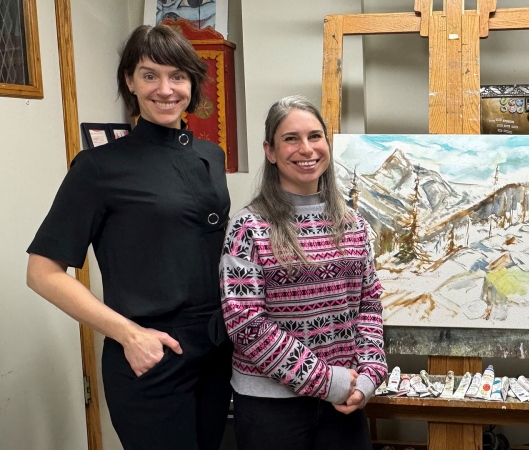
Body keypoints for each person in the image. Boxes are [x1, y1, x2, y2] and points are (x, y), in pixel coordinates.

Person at [26, 25, 232, 450]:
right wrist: (128, 335)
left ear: (192, 83)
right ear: (129, 81)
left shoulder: (210, 155)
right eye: (149, 74)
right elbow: (42, 273)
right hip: (150, 354)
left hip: (215, 352)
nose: (165, 89)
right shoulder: (98, 167)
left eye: (177, 76)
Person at [220, 95, 387, 450]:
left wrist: (371, 372)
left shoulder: (353, 224)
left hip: (344, 402)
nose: (306, 149)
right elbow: (246, 324)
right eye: (291, 139)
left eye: (315, 136)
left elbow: (369, 304)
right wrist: (326, 380)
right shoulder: (248, 227)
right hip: (271, 407)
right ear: (270, 151)